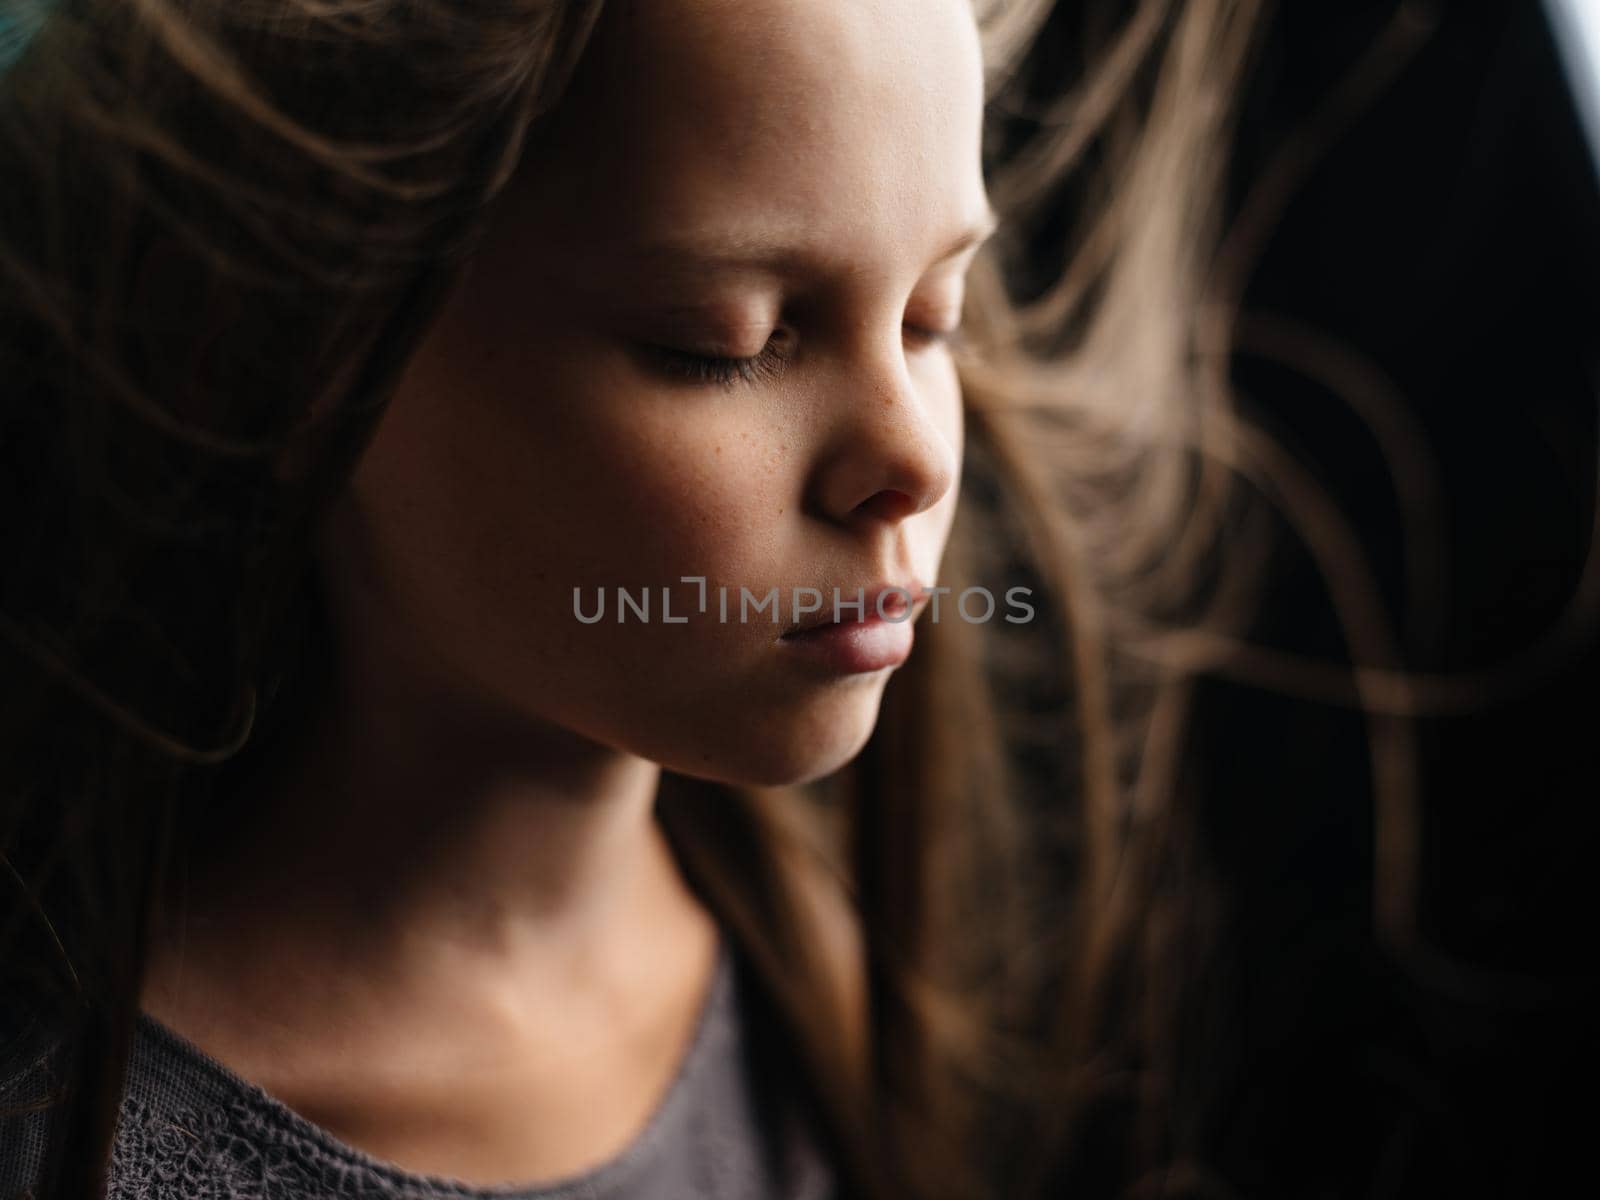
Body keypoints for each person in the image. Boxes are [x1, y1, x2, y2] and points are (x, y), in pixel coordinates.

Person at [0, 1, 1262, 1197]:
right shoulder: (60, 1127)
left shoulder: (814, 973)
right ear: (301, 347)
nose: (919, 458)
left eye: (933, 316)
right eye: (724, 341)